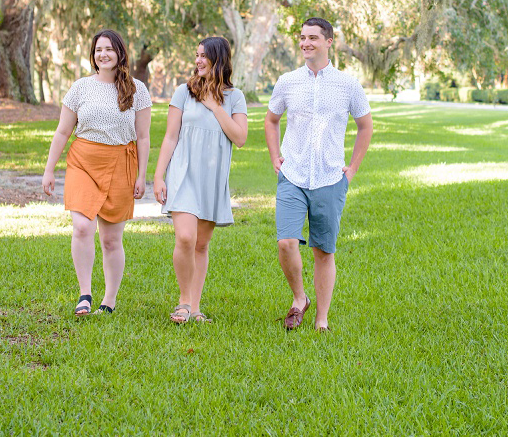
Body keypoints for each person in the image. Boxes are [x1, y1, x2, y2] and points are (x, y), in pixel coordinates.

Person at [264, 18, 373, 332]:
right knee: (286, 242)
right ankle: (300, 299)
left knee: (324, 251)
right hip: (293, 174)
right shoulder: (287, 81)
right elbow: (271, 120)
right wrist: (275, 156)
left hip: (329, 177)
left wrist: (351, 170)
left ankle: (321, 319)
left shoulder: (347, 85)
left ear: (329, 42)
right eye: (302, 37)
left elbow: (365, 126)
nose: (305, 43)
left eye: (312, 37)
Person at [42, 29, 151, 316]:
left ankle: (109, 300)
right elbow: (63, 130)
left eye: (109, 49)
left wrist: (142, 176)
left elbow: (143, 136)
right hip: (83, 163)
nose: (103, 54)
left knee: (111, 239)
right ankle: (85, 294)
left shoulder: (137, 89)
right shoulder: (80, 88)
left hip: (120, 164)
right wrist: (49, 170)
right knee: (82, 227)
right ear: (93, 54)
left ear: (120, 54)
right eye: (98, 49)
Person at [154, 37, 248, 324]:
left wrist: (215, 106)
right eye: (196, 55)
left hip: (212, 177)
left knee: (201, 245)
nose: (198, 61)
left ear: (219, 59)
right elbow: (170, 136)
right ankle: (183, 302)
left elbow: (240, 138)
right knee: (185, 237)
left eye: (204, 56)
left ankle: (195, 308)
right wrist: (158, 176)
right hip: (183, 173)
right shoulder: (184, 92)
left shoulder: (235, 97)